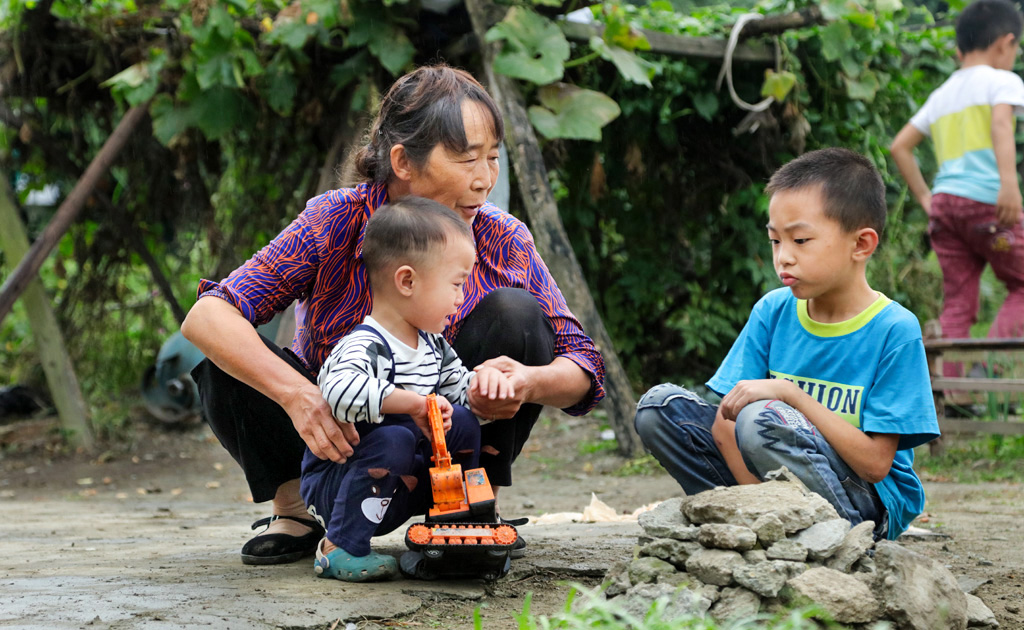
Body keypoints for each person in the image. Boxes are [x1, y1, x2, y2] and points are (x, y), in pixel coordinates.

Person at [180, 64, 605, 566]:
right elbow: (206, 316)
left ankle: (469, 505)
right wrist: (300, 396)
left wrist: (527, 381)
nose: (484, 180)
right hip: (337, 439)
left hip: (449, 435)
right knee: (227, 358)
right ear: (403, 160)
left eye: (492, 159)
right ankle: (296, 507)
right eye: (467, 159)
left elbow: (583, 365)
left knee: (515, 312)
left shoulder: (502, 236)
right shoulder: (334, 220)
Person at [634, 148, 940, 540]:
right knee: (659, 409)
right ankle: (763, 530)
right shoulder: (773, 311)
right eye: (775, 241)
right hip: (763, 480)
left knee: (764, 417)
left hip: (863, 498)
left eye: (800, 240)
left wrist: (790, 395)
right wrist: (759, 506)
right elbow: (726, 426)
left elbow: (875, 465)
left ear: (861, 244)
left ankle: (839, 538)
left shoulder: (894, 329)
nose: (784, 258)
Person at [301, 197, 513, 581]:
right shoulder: (364, 345)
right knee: (396, 437)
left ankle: (453, 530)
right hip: (340, 487)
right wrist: (413, 403)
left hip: (401, 483)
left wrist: (489, 387)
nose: (461, 297)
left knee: (462, 422)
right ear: (407, 281)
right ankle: (339, 547)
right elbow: (339, 391)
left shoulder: (434, 346)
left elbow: (462, 393)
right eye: (456, 284)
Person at [891, 0, 1024, 353]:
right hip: (987, 202)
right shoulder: (1003, 80)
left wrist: (925, 198)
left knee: (959, 303)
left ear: (958, 49)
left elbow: (900, 146)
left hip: (945, 206)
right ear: (1005, 43)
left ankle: (956, 394)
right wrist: (1009, 184)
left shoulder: (942, 94)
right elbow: (999, 123)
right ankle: (991, 374)